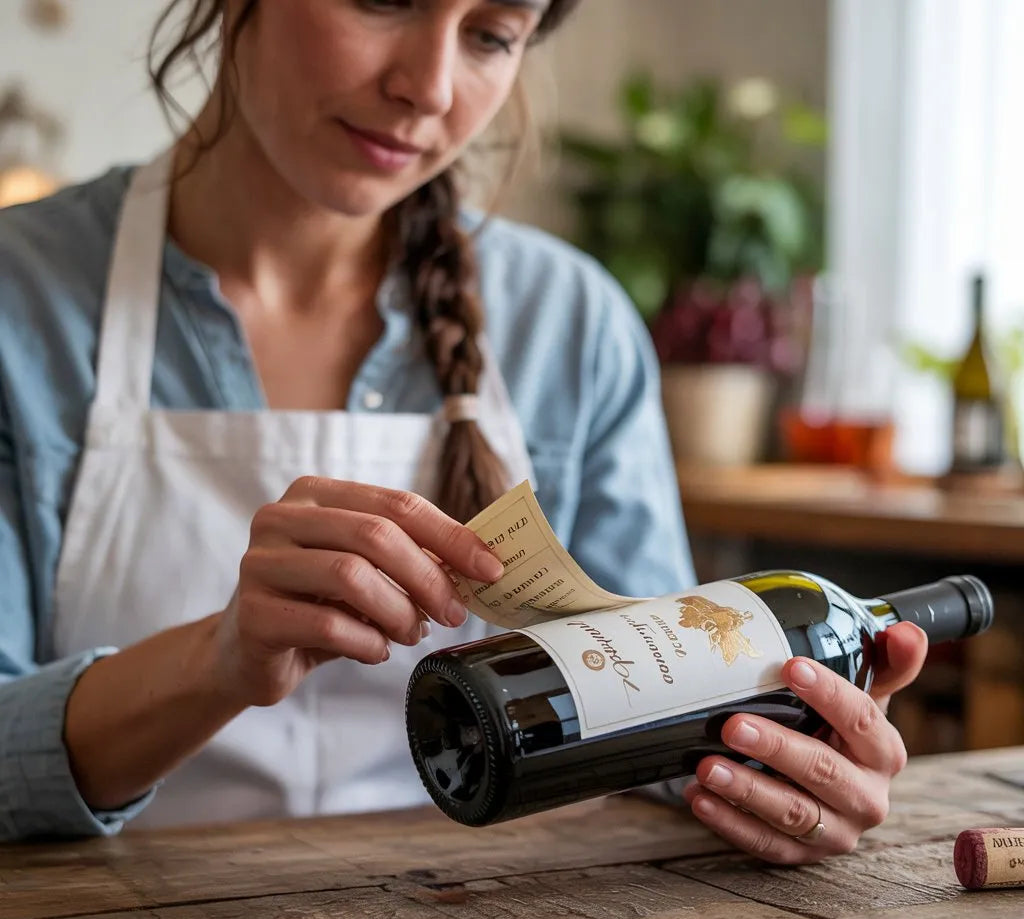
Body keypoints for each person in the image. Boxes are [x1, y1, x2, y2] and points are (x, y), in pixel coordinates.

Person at [0, 0, 926, 862]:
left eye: (491, 33)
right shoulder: (22, 301)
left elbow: (665, 734)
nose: (430, 88)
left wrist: (773, 763)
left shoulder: (570, 324)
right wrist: (219, 660)